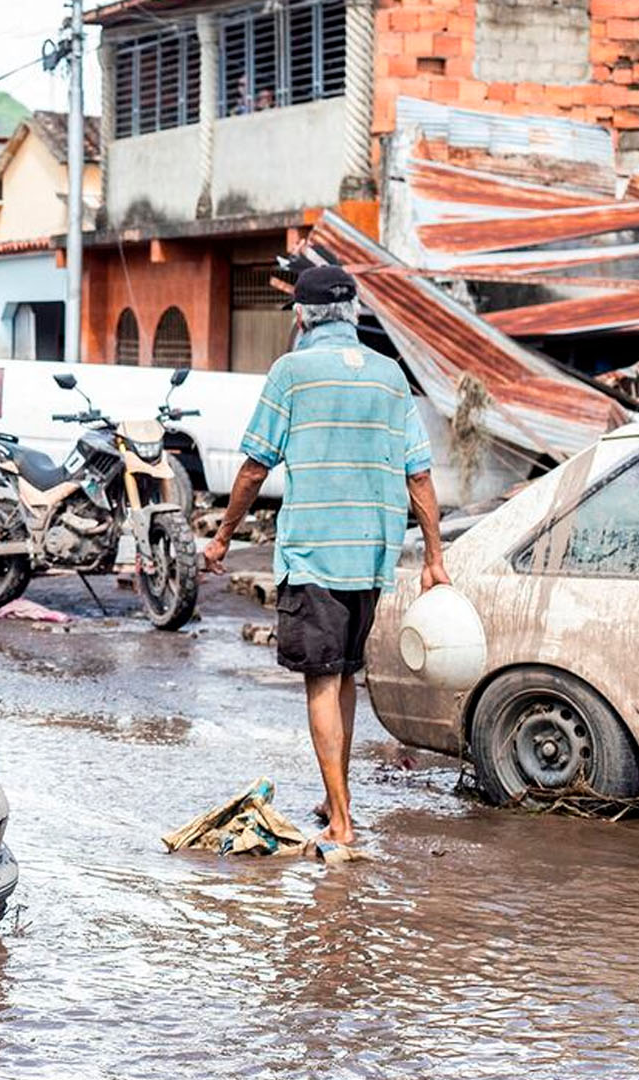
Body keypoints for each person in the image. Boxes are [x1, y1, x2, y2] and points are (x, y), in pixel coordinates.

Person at [201, 264, 450, 846]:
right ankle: (334, 793)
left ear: (302, 316)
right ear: (355, 314)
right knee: (344, 675)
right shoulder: (390, 377)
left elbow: (254, 465)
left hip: (314, 552)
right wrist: (435, 557)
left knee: (320, 679)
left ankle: (341, 822)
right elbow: (419, 474)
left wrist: (222, 537)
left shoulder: (291, 372)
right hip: (371, 556)